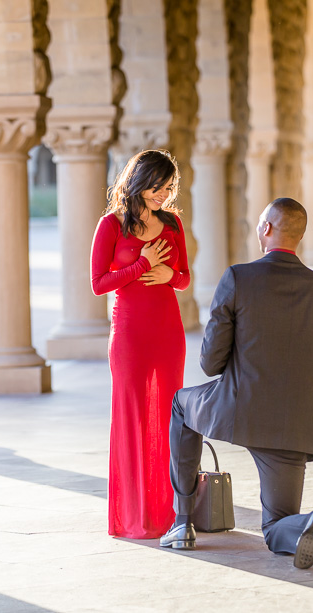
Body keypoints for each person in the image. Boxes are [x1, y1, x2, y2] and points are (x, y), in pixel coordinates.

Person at [160, 197, 313, 570]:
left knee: (182, 405)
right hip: (296, 423)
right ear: (300, 235)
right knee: (275, 525)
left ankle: (182, 522)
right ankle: (302, 524)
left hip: (238, 407)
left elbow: (211, 364)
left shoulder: (238, 278)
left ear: (266, 228)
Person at [90, 150, 191, 539]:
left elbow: (184, 278)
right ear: (139, 181)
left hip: (168, 331)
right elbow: (99, 284)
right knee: (131, 417)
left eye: (169, 187)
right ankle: (134, 516)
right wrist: (142, 265)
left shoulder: (173, 223)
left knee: (169, 418)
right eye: (158, 186)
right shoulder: (111, 225)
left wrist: (170, 275)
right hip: (130, 333)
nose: (164, 194)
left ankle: (169, 513)